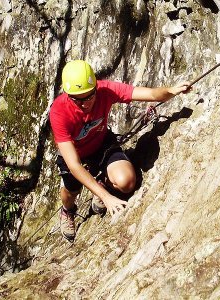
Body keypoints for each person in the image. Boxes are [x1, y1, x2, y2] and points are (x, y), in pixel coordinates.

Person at [49, 60, 191, 241]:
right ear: (68, 95)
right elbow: (75, 165)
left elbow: (149, 93)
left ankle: (103, 181)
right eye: (78, 99)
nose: (85, 104)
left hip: (101, 145)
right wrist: (106, 197)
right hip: (74, 154)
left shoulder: (105, 91)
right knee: (71, 193)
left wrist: (170, 91)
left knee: (126, 182)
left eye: (89, 96)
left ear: (95, 87)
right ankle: (67, 211)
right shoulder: (59, 112)